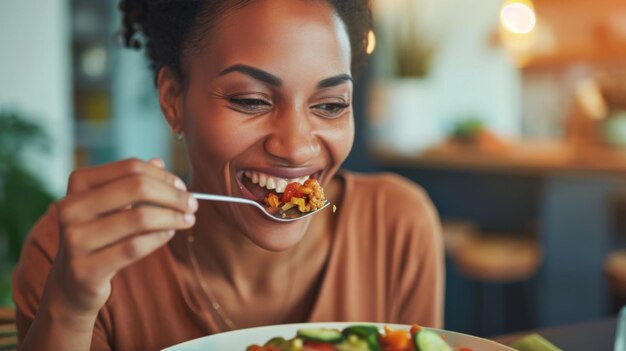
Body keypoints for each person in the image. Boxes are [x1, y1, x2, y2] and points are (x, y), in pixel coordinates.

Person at [12, 0, 444, 350]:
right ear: (173, 101)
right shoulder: (70, 255)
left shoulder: (396, 226)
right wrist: (69, 309)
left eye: (330, 105)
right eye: (251, 100)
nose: (297, 146)